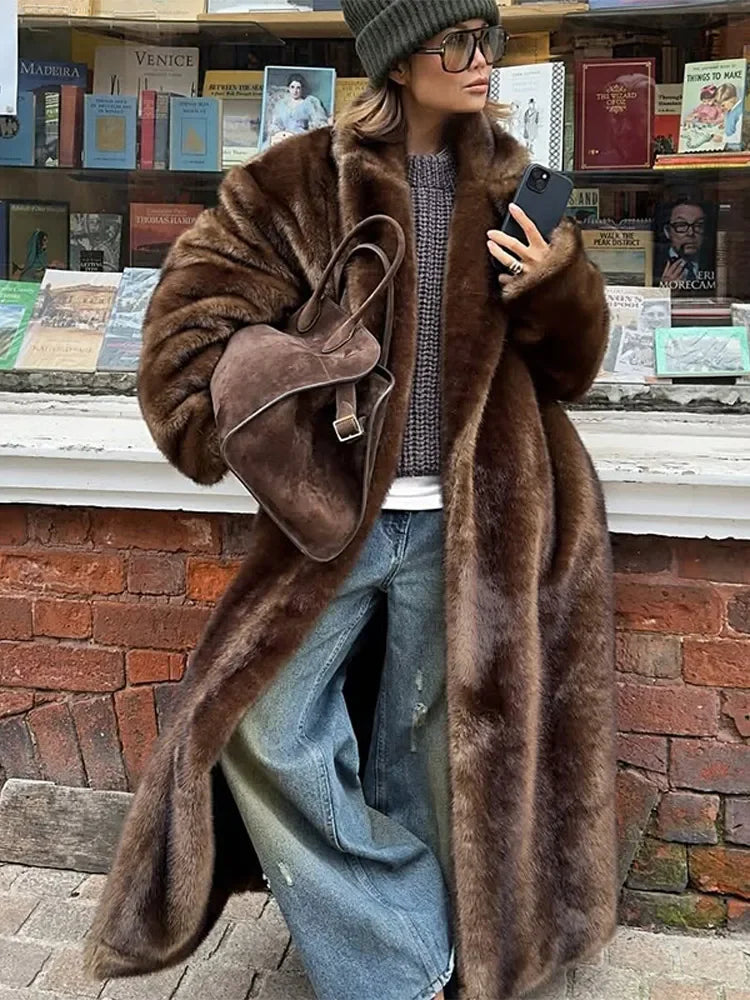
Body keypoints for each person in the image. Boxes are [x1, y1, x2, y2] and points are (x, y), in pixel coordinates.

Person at [84, 3, 618, 1000]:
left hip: (474, 525)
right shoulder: (292, 184)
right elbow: (183, 339)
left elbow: (574, 369)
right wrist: (272, 398)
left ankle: (403, 971)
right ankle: (408, 939)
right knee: (259, 722)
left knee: (424, 758)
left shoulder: (514, 186)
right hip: (334, 527)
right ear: (395, 58)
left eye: (487, 39)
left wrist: (559, 279)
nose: (480, 61)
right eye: (455, 41)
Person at [658, 198, 714, 291]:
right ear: (667, 231)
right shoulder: (653, 263)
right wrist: (663, 292)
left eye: (698, 225)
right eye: (681, 225)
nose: (691, 233)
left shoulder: (715, 263)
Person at [268, 73, 330, 145]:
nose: (295, 91)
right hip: (283, 139)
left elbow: (318, 124)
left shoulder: (309, 103)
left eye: (298, 87)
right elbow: (275, 124)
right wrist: (280, 134)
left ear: (302, 89)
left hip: (300, 140)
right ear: (288, 88)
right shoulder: (281, 104)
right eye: (292, 87)